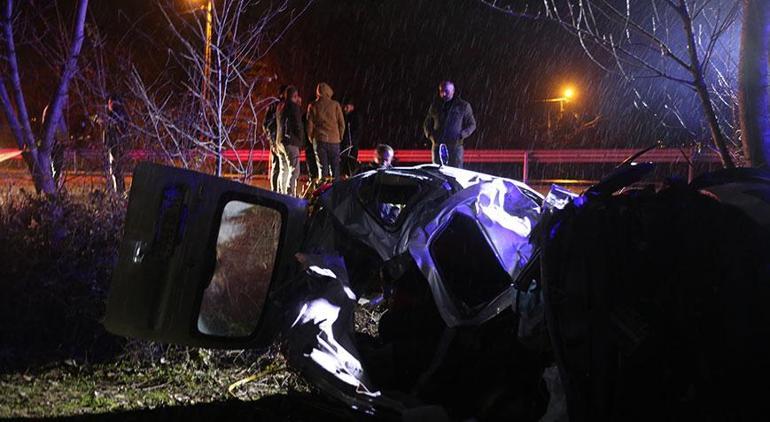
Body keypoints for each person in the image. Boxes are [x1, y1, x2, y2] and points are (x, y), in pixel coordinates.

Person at [422, 80, 476, 168]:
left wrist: (461, 135)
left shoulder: (463, 106)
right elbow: (426, 123)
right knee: (437, 174)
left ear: (453, 91)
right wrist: (431, 136)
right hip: (438, 146)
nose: (443, 94)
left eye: (446, 91)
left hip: (455, 147)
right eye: (441, 91)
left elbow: (472, 124)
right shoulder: (435, 105)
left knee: (455, 174)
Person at [307, 82, 345, 181]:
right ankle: (336, 191)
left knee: (322, 168)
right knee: (335, 168)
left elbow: (309, 124)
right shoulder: (335, 105)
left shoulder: (313, 105)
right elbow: (342, 124)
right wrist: (340, 136)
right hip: (334, 141)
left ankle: (323, 192)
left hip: (320, 139)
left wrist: (311, 137)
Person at [275, 86, 306, 196]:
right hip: (291, 141)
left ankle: (280, 193)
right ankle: (289, 194)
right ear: (295, 96)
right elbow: (298, 125)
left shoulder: (280, 107)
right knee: (294, 170)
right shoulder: (293, 107)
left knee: (284, 169)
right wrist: (301, 141)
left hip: (280, 141)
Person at [104, 93, 129, 194]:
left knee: (115, 170)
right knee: (116, 170)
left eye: (110, 103)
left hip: (115, 145)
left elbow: (122, 130)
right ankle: (119, 191)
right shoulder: (116, 115)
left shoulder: (116, 115)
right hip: (114, 144)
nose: (108, 105)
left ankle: (118, 192)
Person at [262, 85, 287, 192]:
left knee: (281, 166)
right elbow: (266, 124)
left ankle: (279, 190)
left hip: (279, 139)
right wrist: (272, 137)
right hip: (277, 139)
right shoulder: (276, 106)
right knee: (278, 165)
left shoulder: (282, 105)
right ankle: (276, 191)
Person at [341, 97, 362, 177]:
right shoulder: (347, 117)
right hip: (348, 145)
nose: (345, 109)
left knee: (350, 167)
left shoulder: (354, 117)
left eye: (347, 107)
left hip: (350, 146)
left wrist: (351, 142)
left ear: (352, 107)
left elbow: (355, 132)